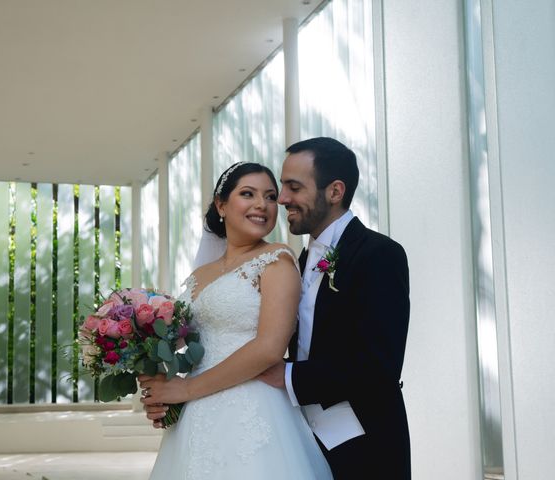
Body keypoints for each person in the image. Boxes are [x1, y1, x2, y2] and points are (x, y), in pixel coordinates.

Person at [140, 162, 333, 479]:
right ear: (221, 204)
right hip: (194, 417)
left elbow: (270, 348)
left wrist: (186, 390)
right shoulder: (198, 276)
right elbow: (181, 346)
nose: (263, 205)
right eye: (248, 194)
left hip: (252, 407)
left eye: (270, 197)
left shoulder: (276, 260)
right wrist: (156, 384)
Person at [256, 137, 411, 479]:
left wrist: (289, 376)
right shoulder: (298, 260)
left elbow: (380, 366)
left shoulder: (379, 254)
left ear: (335, 192)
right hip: (302, 439)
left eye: (293, 187)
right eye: (283, 186)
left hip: (366, 446)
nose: (282, 199)